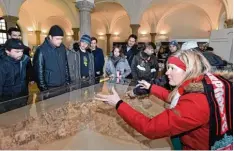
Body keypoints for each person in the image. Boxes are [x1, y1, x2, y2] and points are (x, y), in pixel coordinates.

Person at [95, 50, 233, 150]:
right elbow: (175, 97)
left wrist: (119, 104)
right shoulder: (206, 82)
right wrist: (151, 88)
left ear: (188, 70)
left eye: (172, 68)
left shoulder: (196, 102)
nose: (166, 73)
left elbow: (150, 128)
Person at [33, 25, 70, 91]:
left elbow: (66, 65)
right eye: (57, 39)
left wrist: (67, 81)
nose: (60, 41)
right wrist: (44, 89)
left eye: (61, 39)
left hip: (63, 85)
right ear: (50, 37)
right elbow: (39, 73)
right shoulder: (41, 50)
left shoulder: (62, 47)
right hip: (50, 87)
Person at [0, 39, 32, 113]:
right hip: (7, 103)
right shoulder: (2, 65)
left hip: (22, 99)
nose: (20, 54)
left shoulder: (23, 61)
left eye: (21, 51)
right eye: (17, 51)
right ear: (7, 51)